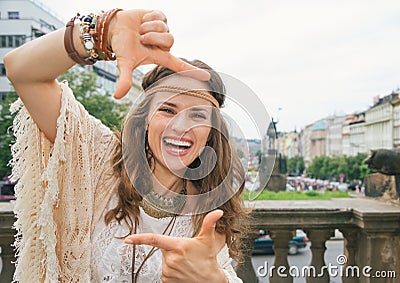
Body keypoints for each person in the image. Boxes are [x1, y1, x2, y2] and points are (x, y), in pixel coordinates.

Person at [4, 8, 248, 283]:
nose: (180, 127)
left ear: (211, 131)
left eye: (198, 115)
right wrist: (103, 32)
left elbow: (223, 274)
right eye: (167, 110)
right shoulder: (97, 156)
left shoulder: (210, 212)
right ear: (145, 119)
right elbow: (22, 71)